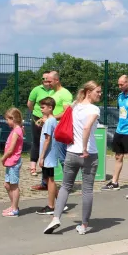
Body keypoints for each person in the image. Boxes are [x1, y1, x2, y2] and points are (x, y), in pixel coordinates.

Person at [44, 81, 102, 235]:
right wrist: (84, 147)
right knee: (87, 190)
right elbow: (86, 127)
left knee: (65, 186)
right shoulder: (94, 109)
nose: (100, 94)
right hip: (88, 154)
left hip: (71, 152)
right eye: (98, 91)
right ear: (89, 92)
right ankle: (83, 225)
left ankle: (56, 217)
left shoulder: (74, 106)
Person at [102, 75, 128, 191]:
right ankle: (114, 182)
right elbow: (121, 111)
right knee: (118, 156)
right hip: (120, 130)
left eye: (122, 84)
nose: (119, 87)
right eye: (118, 84)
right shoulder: (120, 96)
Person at [27, 70, 54, 182]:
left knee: (48, 141)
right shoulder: (36, 90)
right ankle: (33, 166)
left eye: (47, 79)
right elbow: (30, 104)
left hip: (51, 118)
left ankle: (47, 165)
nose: (45, 81)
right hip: (38, 118)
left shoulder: (54, 90)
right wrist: (38, 115)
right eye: (43, 79)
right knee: (37, 141)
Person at [35, 97, 59, 215]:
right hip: (50, 154)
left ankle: (51, 206)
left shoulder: (50, 121)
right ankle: (60, 202)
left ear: (50, 108)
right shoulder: (51, 120)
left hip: (48, 155)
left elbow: (47, 139)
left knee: (50, 180)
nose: (41, 110)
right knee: (48, 178)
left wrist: (42, 157)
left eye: (43, 107)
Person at [1, 108, 24, 218]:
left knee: (14, 186)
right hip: (10, 162)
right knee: (7, 185)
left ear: (13, 119)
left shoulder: (16, 131)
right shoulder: (14, 130)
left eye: (7, 119)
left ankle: (15, 209)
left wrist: (3, 158)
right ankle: (13, 205)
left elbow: (11, 149)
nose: (6, 122)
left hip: (13, 162)